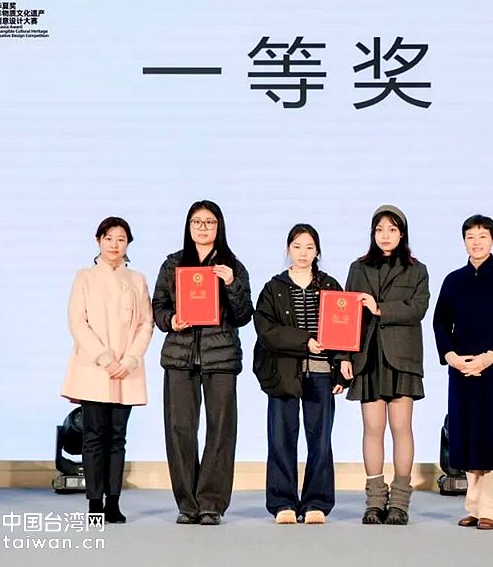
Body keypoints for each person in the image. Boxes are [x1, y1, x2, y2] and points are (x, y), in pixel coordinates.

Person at [152, 200, 253, 525]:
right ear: (188, 226)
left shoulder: (232, 265)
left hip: (220, 356)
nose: (203, 227)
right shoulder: (173, 264)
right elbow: (158, 307)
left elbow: (243, 315)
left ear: (219, 227)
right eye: (197, 222)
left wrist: (231, 284)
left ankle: (211, 503)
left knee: (221, 429)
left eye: (210, 222)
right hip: (179, 356)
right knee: (180, 428)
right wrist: (172, 320)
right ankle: (187, 503)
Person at [432, 214, 493, 530]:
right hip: (462, 369)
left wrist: (489, 357)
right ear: (464, 241)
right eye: (470, 236)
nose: (476, 242)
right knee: (469, 436)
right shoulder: (453, 280)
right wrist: (451, 356)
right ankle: (474, 506)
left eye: (482, 236)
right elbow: (440, 322)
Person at [253, 224, 350, 525]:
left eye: (309, 247)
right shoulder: (273, 288)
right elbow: (266, 330)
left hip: (321, 373)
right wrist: (304, 340)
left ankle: (316, 502)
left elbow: (345, 328)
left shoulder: (330, 286)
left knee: (320, 439)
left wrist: (343, 363)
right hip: (283, 373)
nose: (303, 253)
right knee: (281, 438)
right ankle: (282, 502)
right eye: (297, 246)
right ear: (288, 250)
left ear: (317, 252)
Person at [61, 216, 154, 524]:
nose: (115, 244)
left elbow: (146, 324)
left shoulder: (137, 279)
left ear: (128, 244)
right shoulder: (85, 276)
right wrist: (104, 357)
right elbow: (78, 322)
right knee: (93, 437)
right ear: (98, 241)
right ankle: (94, 502)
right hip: (93, 367)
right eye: (109, 238)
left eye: (121, 239)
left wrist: (129, 360)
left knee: (117, 437)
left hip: (127, 369)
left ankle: (113, 501)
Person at [345, 205, 429, 525]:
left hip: (402, 357)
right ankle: (375, 501)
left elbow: (417, 309)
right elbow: (346, 316)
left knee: (401, 428)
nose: (385, 235)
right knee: (372, 428)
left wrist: (379, 308)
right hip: (368, 356)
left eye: (392, 229)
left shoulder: (417, 270)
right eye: (379, 229)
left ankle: (400, 502)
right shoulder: (358, 268)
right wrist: (343, 358)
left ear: (402, 234)